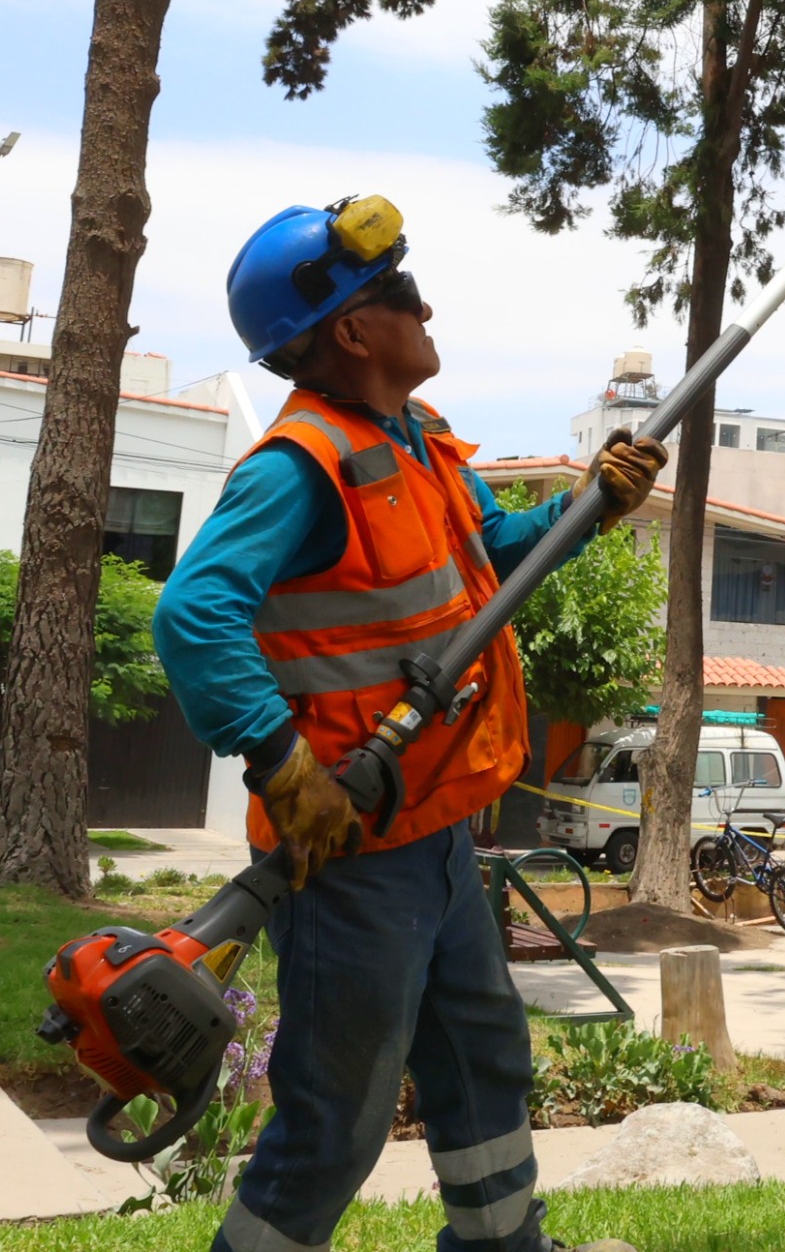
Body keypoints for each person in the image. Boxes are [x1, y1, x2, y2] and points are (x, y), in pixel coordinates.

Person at [155, 195, 665, 1252]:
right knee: (335, 1117)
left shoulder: (418, 441)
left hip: (433, 832)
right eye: (398, 293)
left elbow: (497, 560)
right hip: (346, 853)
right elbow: (193, 613)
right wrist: (285, 769)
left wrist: (589, 506)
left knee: (481, 1060)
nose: (424, 306)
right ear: (351, 329)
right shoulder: (300, 467)